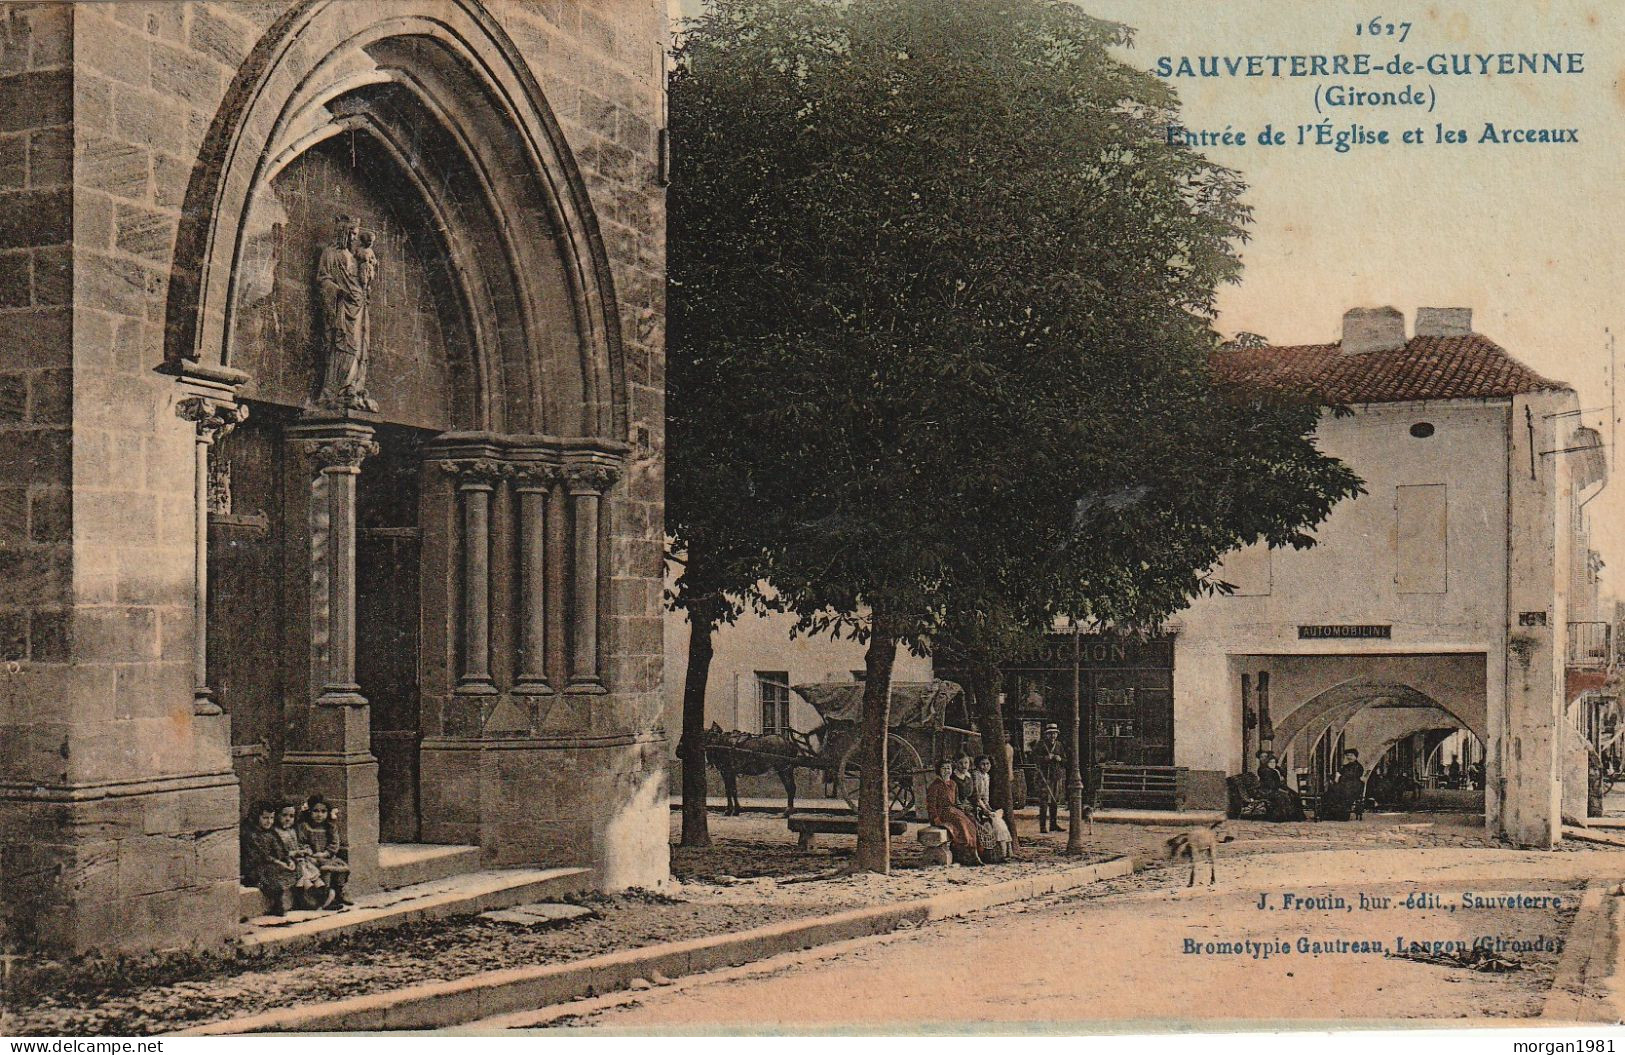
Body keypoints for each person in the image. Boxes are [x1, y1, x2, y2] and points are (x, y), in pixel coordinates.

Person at [240, 800, 299, 916]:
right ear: (257, 817)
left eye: (271, 818)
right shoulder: (250, 833)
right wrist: (279, 863)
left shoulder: (271, 832)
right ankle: (277, 904)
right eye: (265, 818)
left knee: (297, 866)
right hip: (256, 865)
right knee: (267, 876)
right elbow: (259, 855)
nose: (269, 821)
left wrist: (288, 860)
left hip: (273, 863)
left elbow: (281, 849)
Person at [298, 795, 352, 910]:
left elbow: (334, 843)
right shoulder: (304, 827)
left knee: (340, 869)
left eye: (323, 811)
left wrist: (326, 853)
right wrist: (309, 851)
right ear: (309, 812)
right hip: (311, 858)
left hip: (327, 856)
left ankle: (338, 892)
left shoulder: (330, 827)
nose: (319, 814)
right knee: (325, 872)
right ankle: (326, 898)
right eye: (316, 811)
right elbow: (301, 842)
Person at [925, 759, 982, 865]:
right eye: (944, 768)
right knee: (961, 824)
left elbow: (956, 802)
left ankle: (972, 854)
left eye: (949, 768)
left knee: (970, 823)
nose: (947, 771)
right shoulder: (935, 786)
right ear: (939, 770)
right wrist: (935, 819)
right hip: (942, 813)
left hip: (953, 810)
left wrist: (962, 808)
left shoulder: (953, 783)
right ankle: (961, 854)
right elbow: (931, 806)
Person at [271, 800, 326, 908]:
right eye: (284, 815)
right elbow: (280, 852)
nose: (288, 819)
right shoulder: (276, 832)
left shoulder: (292, 831)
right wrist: (295, 853)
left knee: (314, 875)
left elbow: (299, 844)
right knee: (304, 875)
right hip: (287, 861)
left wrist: (305, 849)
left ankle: (322, 895)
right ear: (277, 816)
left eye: (291, 816)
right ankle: (306, 900)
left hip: (299, 859)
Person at [971, 755, 1014, 861]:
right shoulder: (976, 776)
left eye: (987, 764)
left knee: (999, 822)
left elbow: (985, 797)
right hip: (974, 806)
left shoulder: (987, 776)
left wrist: (989, 808)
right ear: (977, 765)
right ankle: (999, 854)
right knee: (995, 823)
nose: (985, 766)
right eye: (983, 764)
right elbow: (976, 797)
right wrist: (984, 809)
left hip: (983, 806)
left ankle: (1004, 853)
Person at [1031, 723, 1066, 833]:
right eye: (1050, 734)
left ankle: (1053, 824)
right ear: (1046, 735)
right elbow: (1033, 758)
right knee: (1044, 801)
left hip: (1056, 776)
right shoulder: (1040, 745)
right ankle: (1042, 826)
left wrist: (1060, 759)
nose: (1053, 736)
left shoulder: (1059, 745)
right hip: (1044, 777)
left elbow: (1065, 760)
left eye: (1054, 733)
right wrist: (1046, 758)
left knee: (1054, 801)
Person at [1255, 752, 1306, 822]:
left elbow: (1281, 776)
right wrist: (1281, 788)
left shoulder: (1276, 769)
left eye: (1274, 762)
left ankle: (1295, 816)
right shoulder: (1264, 770)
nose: (1272, 764)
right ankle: (1281, 817)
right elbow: (1270, 784)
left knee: (1294, 794)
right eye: (1270, 762)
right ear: (1267, 763)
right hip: (1267, 790)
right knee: (1283, 796)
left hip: (1277, 787)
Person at [1319, 749, 1366, 821]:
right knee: (1329, 794)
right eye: (1347, 755)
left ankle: (1341, 816)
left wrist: (1339, 776)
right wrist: (1335, 776)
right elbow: (1338, 774)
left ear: (1355, 757)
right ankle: (1329, 815)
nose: (1349, 757)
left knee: (1340, 795)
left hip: (1353, 788)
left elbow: (1350, 776)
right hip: (1344, 787)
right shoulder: (1346, 766)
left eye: (1351, 755)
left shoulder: (1358, 767)